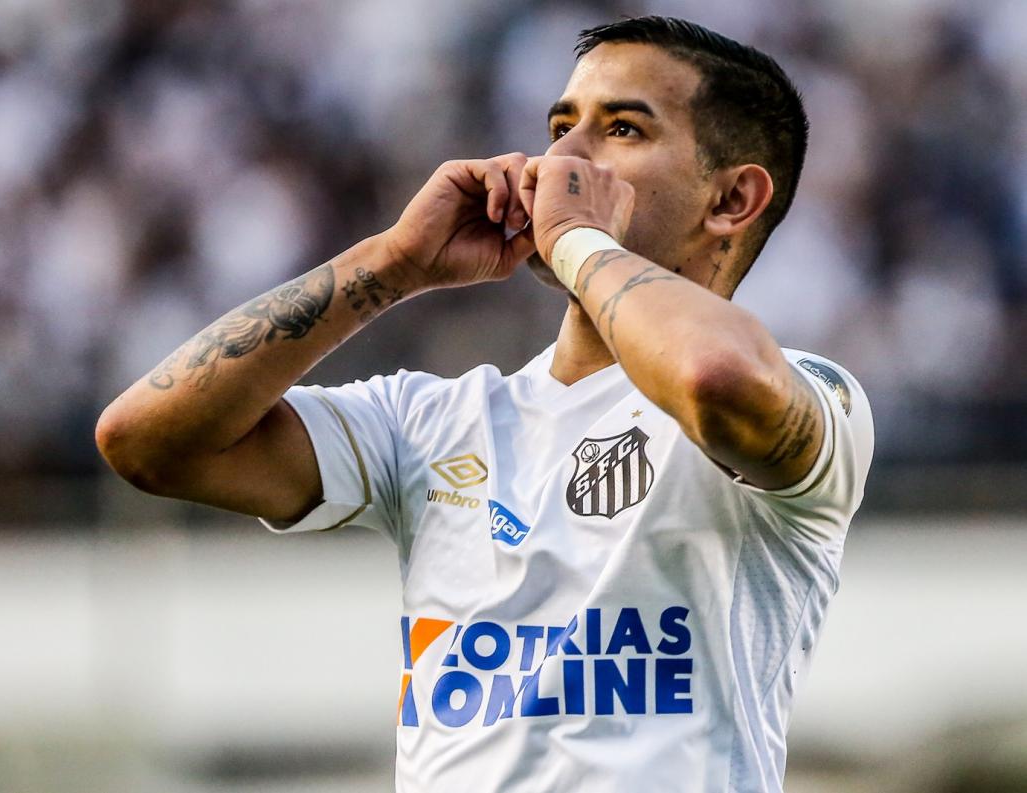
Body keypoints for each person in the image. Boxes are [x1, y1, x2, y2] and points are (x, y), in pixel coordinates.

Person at [96, 16, 873, 793]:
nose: (560, 159)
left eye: (622, 130)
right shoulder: (432, 420)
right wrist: (394, 262)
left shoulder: (814, 394)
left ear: (732, 199)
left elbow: (714, 378)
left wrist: (577, 237)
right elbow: (146, 441)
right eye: (560, 128)